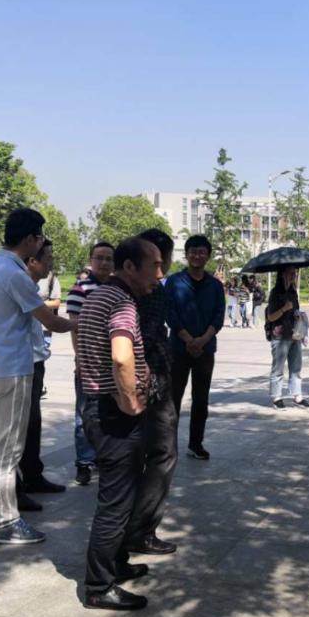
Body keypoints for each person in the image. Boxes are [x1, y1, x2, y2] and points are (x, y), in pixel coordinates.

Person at [0, 208, 74, 545]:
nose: (42, 244)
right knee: (8, 449)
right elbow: (51, 320)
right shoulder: (16, 274)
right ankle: (6, 522)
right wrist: (84, 321)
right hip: (13, 369)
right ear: (30, 238)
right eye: (40, 237)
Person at [78, 237, 164, 611]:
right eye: (154, 265)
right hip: (114, 415)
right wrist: (130, 402)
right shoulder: (122, 303)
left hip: (99, 406)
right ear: (129, 267)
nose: (160, 274)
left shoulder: (99, 295)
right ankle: (99, 586)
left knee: (123, 496)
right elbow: (121, 357)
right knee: (115, 503)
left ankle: (115, 563)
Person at [124, 228, 179, 556]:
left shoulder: (118, 290)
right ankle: (141, 530)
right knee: (162, 454)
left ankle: (131, 528)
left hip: (139, 381)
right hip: (151, 382)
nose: (161, 270)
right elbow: (144, 339)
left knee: (138, 456)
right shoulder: (150, 290)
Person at [165, 235, 225, 461]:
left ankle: (196, 443)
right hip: (178, 350)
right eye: (193, 251)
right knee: (173, 399)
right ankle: (168, 445)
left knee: (201, 399)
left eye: (201, 252)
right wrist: (189, 339)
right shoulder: (174, 282)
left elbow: (218, 316)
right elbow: (170, 313)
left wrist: (202, 340)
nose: (197, 256)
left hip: (205, 351)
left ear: (208, 256)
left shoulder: (215, 285)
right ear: (187, 254)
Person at [17, 239, 68, 499]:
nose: (51, 263)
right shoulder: (22, 285)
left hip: (34, 361)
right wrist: (83, 323)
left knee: (33, 423)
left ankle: (33, 475)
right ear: (32, 261)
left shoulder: (31, 285)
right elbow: (53, 323)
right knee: (20, 427)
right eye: (47, 258)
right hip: (20, 365)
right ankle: (15, 488)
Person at [67, 242, 115, 486]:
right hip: (88, 361)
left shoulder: (119, 287)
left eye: (109, 258)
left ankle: (104, 458)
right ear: (91, 260)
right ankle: (84, 462)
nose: (104, 263)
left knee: (110, 413)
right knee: (84, 413)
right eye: (99, 258)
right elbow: (75, 327)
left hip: (113, 361)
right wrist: (79, 357)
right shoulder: (81, 289)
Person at [266, 265, 309, 409]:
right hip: (280, 336)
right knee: (278, 368)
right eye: (291, 273)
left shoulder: (293, 292)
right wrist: (284, 308)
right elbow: (271, 317)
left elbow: (296, 309)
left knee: (296, 367)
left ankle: (297, 396)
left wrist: (298, 315)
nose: (294, 276)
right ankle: (276, 397)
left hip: (294, 334)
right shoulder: (275, 293)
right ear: (282, 274)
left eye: (295, 273)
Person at [36, 262, 62, 399]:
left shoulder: (51, 278)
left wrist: (35, 303)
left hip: (43, 325)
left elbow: (56, 302)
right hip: (25, 325)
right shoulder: (22, 275)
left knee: (40, 358)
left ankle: (38, 385)